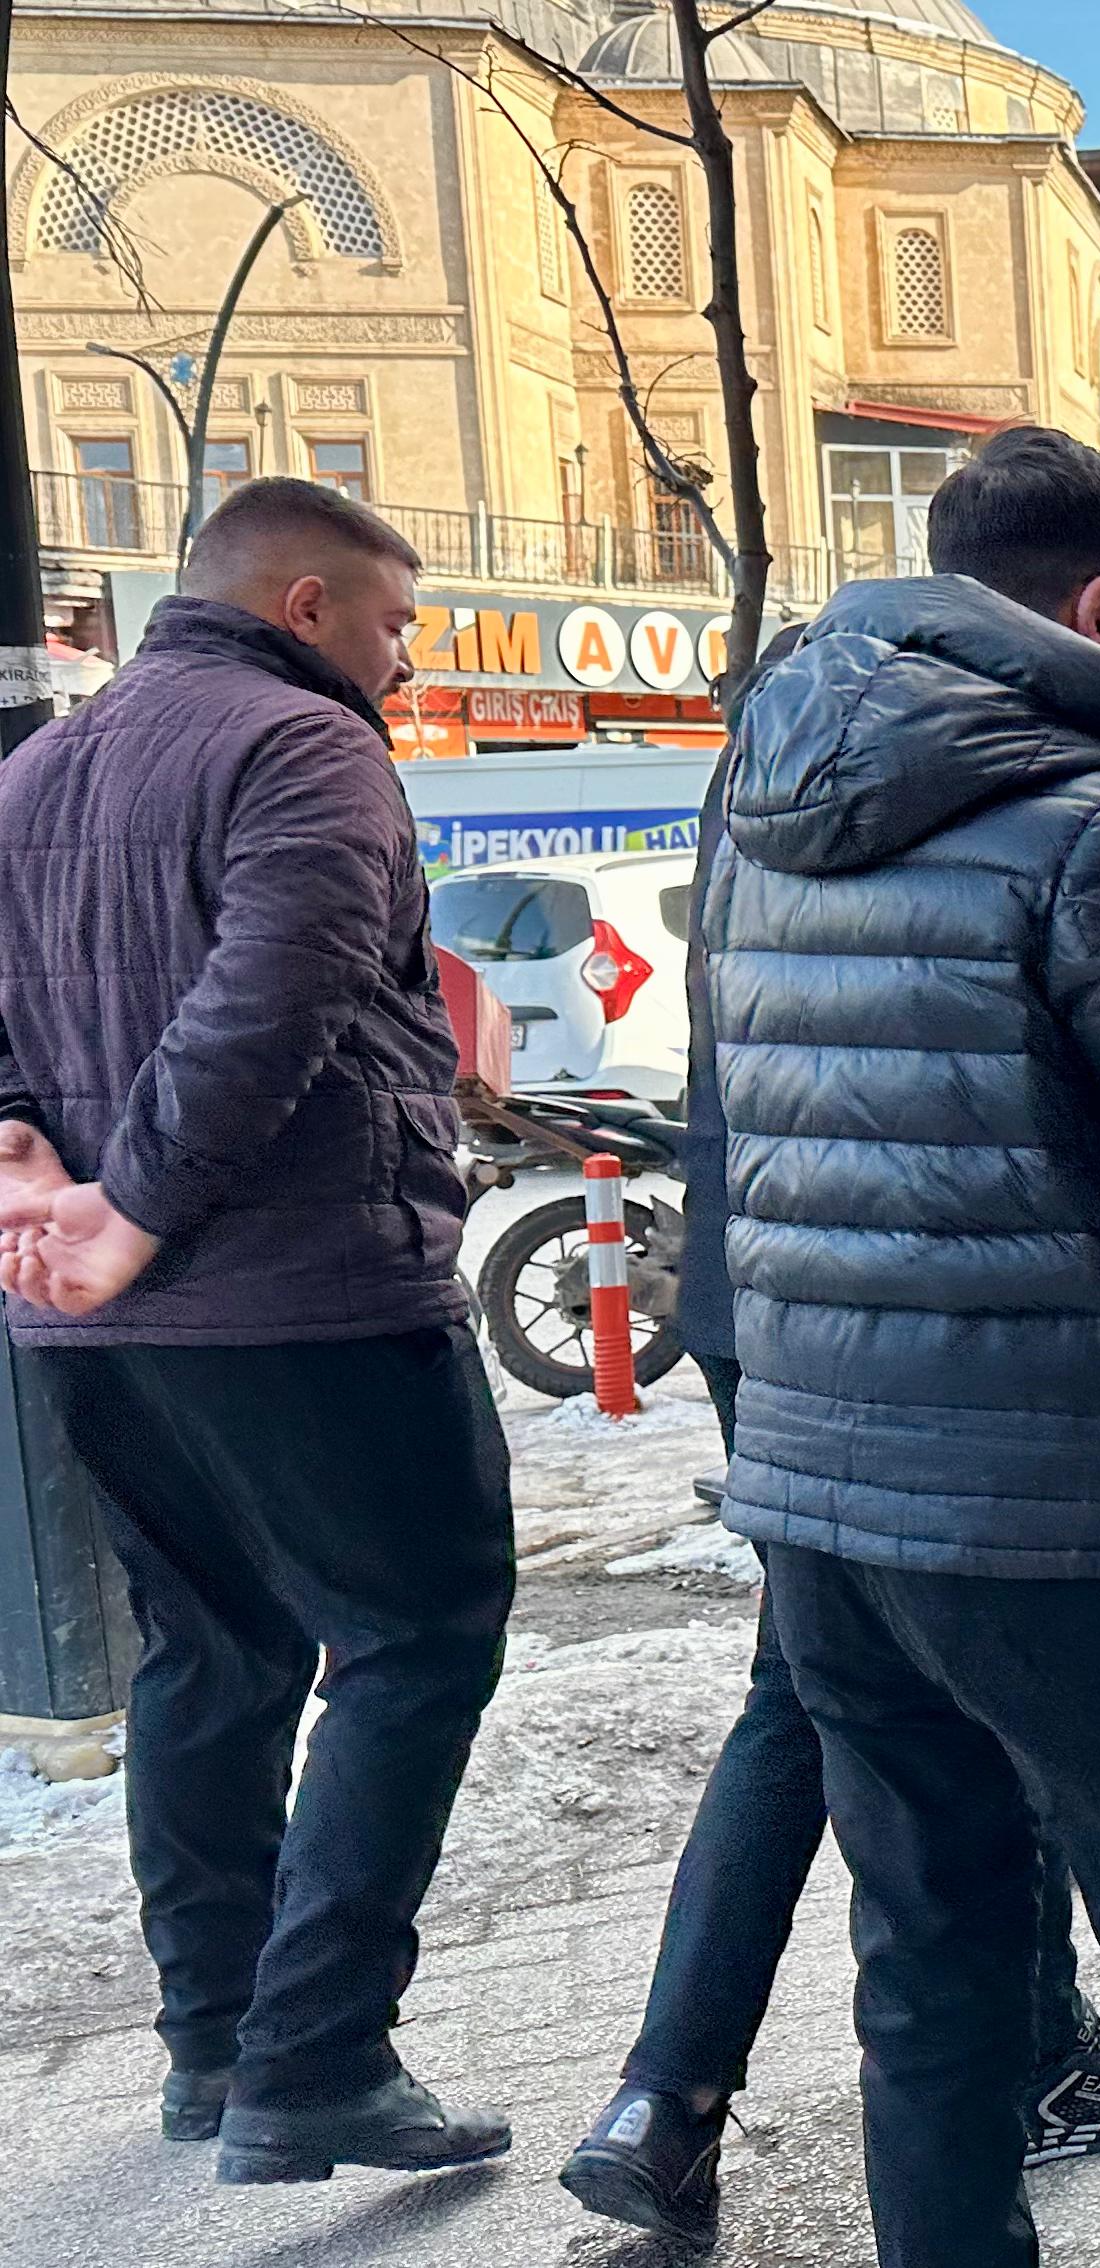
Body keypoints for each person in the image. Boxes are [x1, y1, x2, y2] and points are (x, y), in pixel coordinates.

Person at [703, 426, 1100, 2268]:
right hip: (1078, 1508)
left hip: (827, 1501)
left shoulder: (765, 790)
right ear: (1099, 611)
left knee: (930, 1962)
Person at [565, 637, 1100, 2253]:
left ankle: (666, 2095)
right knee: (963, 1669)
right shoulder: (946, 788)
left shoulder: (751, 793)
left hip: (762, 1300)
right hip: (910, 1314)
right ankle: (1023, 2062)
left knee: (807, 1693)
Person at [0, 479, 518, 2184]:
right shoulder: (307, 752)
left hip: (99, 1325)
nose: (402, 655)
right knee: (419, 1633)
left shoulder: (38, 767)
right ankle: (315, 2054)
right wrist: (134, 1203)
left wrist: (36, 1165)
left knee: (206, 1656)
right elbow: (265, 1004)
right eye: (390, 620)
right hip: (306, 1289)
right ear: (303, 605)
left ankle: (212, 2042)